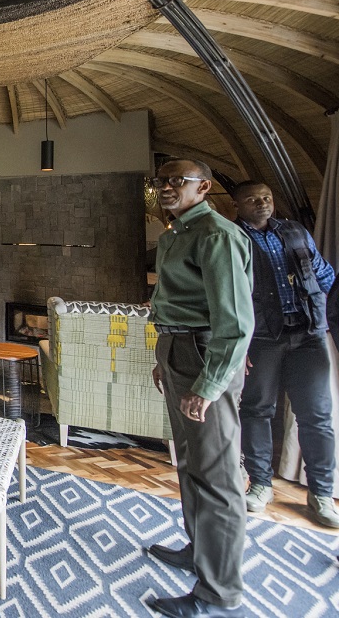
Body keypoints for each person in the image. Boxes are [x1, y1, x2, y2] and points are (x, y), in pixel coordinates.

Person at [145, 159, 253, 618]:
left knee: (218, 477)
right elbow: (175, 304)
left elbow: (235, 322)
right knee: (190, 463)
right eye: (161, 181)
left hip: (205, 355)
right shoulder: (176, 233)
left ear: (203, 187)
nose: (166, 187)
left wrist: (208, 386)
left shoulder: (216, 235)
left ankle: (219, 594)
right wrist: (164, 360)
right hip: (178, 351)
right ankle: (199, 552)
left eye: (177, 181)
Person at [232, 181, 338, 528]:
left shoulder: (294, 231)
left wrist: (330, 313)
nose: (262, 203)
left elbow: (323, 273)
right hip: (262, 338)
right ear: (237, 205)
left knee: (317, 415)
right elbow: (225, 295)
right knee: (257, 410)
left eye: (266, 198)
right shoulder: (232, 238)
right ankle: (260, 484)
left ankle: (322, 493)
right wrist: (237, 344)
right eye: (252, 199)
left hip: (308, 334)